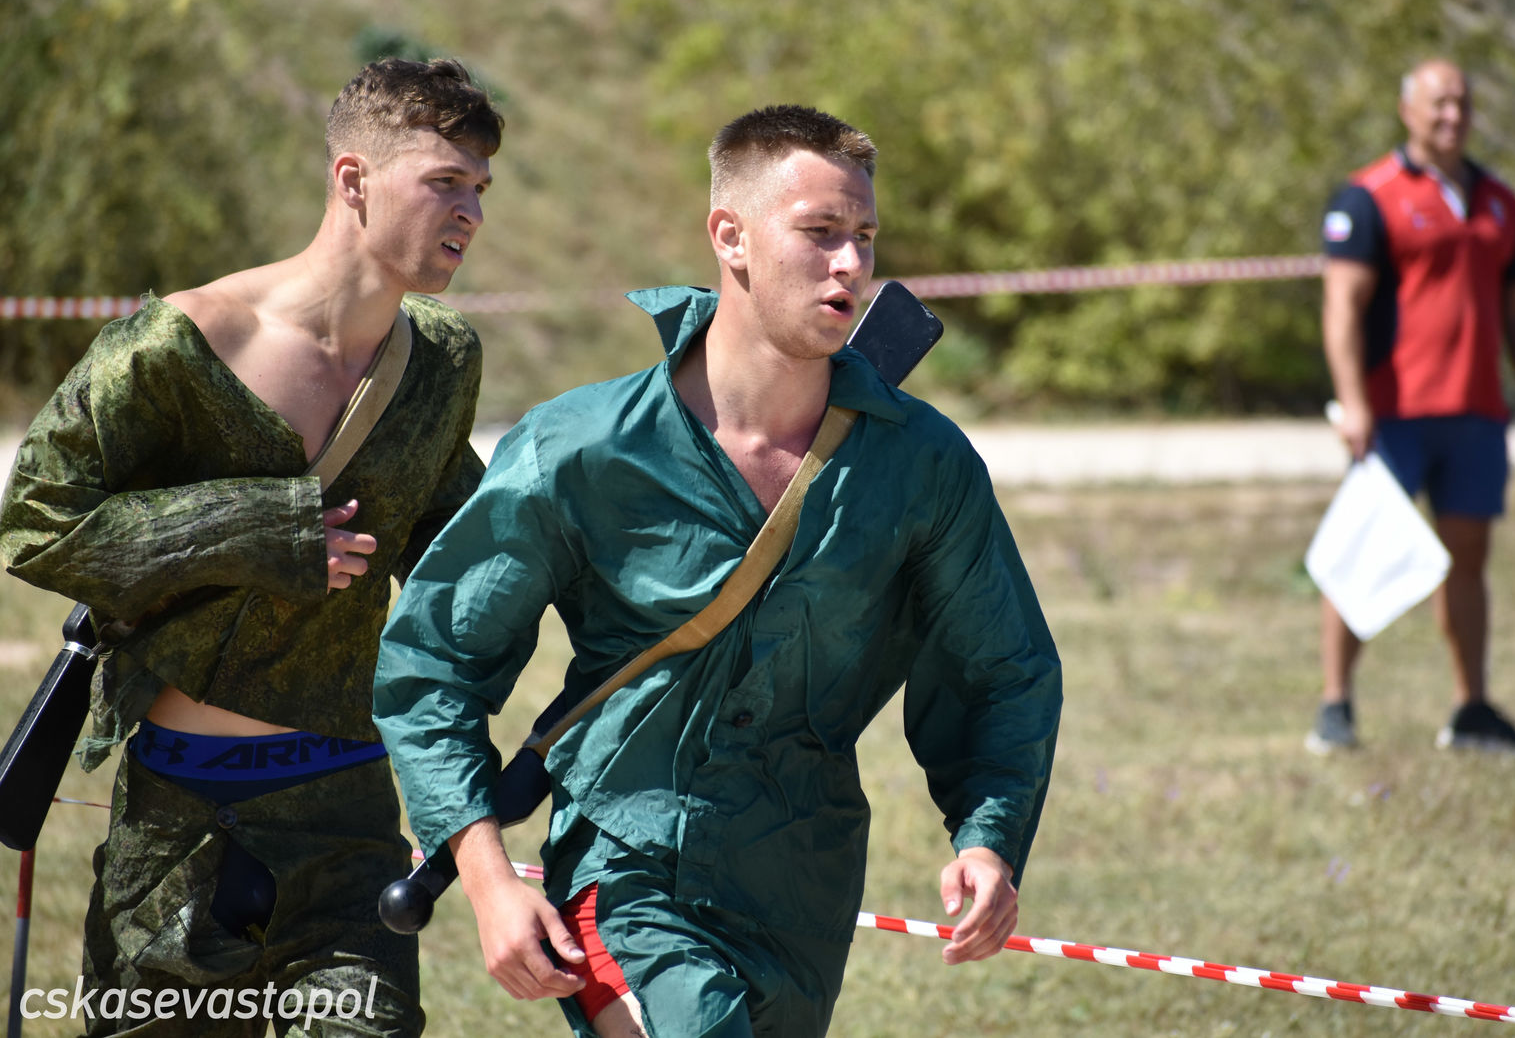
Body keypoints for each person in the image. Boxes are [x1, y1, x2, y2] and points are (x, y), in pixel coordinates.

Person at [372, 104, 1063, 1037]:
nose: (851, 265)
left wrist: (988, 839)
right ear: (729, 236)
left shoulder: (922, 463)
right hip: (627, 869)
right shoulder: (580, 447)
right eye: (820, 232)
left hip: (805, 892)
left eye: (864, 236)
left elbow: (1003, 669)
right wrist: (491, 881)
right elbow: (432, 663)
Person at [0, 57, 501, 1035]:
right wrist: (256, 527)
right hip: (176, 827)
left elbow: (464, 558)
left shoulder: (443, 360)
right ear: (353, 179)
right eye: (445, 181)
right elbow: (37, 519)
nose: (471, 212)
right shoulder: (178, 345)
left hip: (346, 821)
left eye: (481, 187)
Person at [1307, 58, 1515, 757]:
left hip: (1475, 412)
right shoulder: (1369, 196)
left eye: (1463, 103)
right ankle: (1334, 705)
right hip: (1395, 414)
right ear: (1407, 109)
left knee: (1467, 557)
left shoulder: (1500, 201)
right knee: (1363, 552)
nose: (1453, 115)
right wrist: (1354, 402)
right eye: (1439, 102)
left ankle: (1471, 708)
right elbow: (1342, 306)